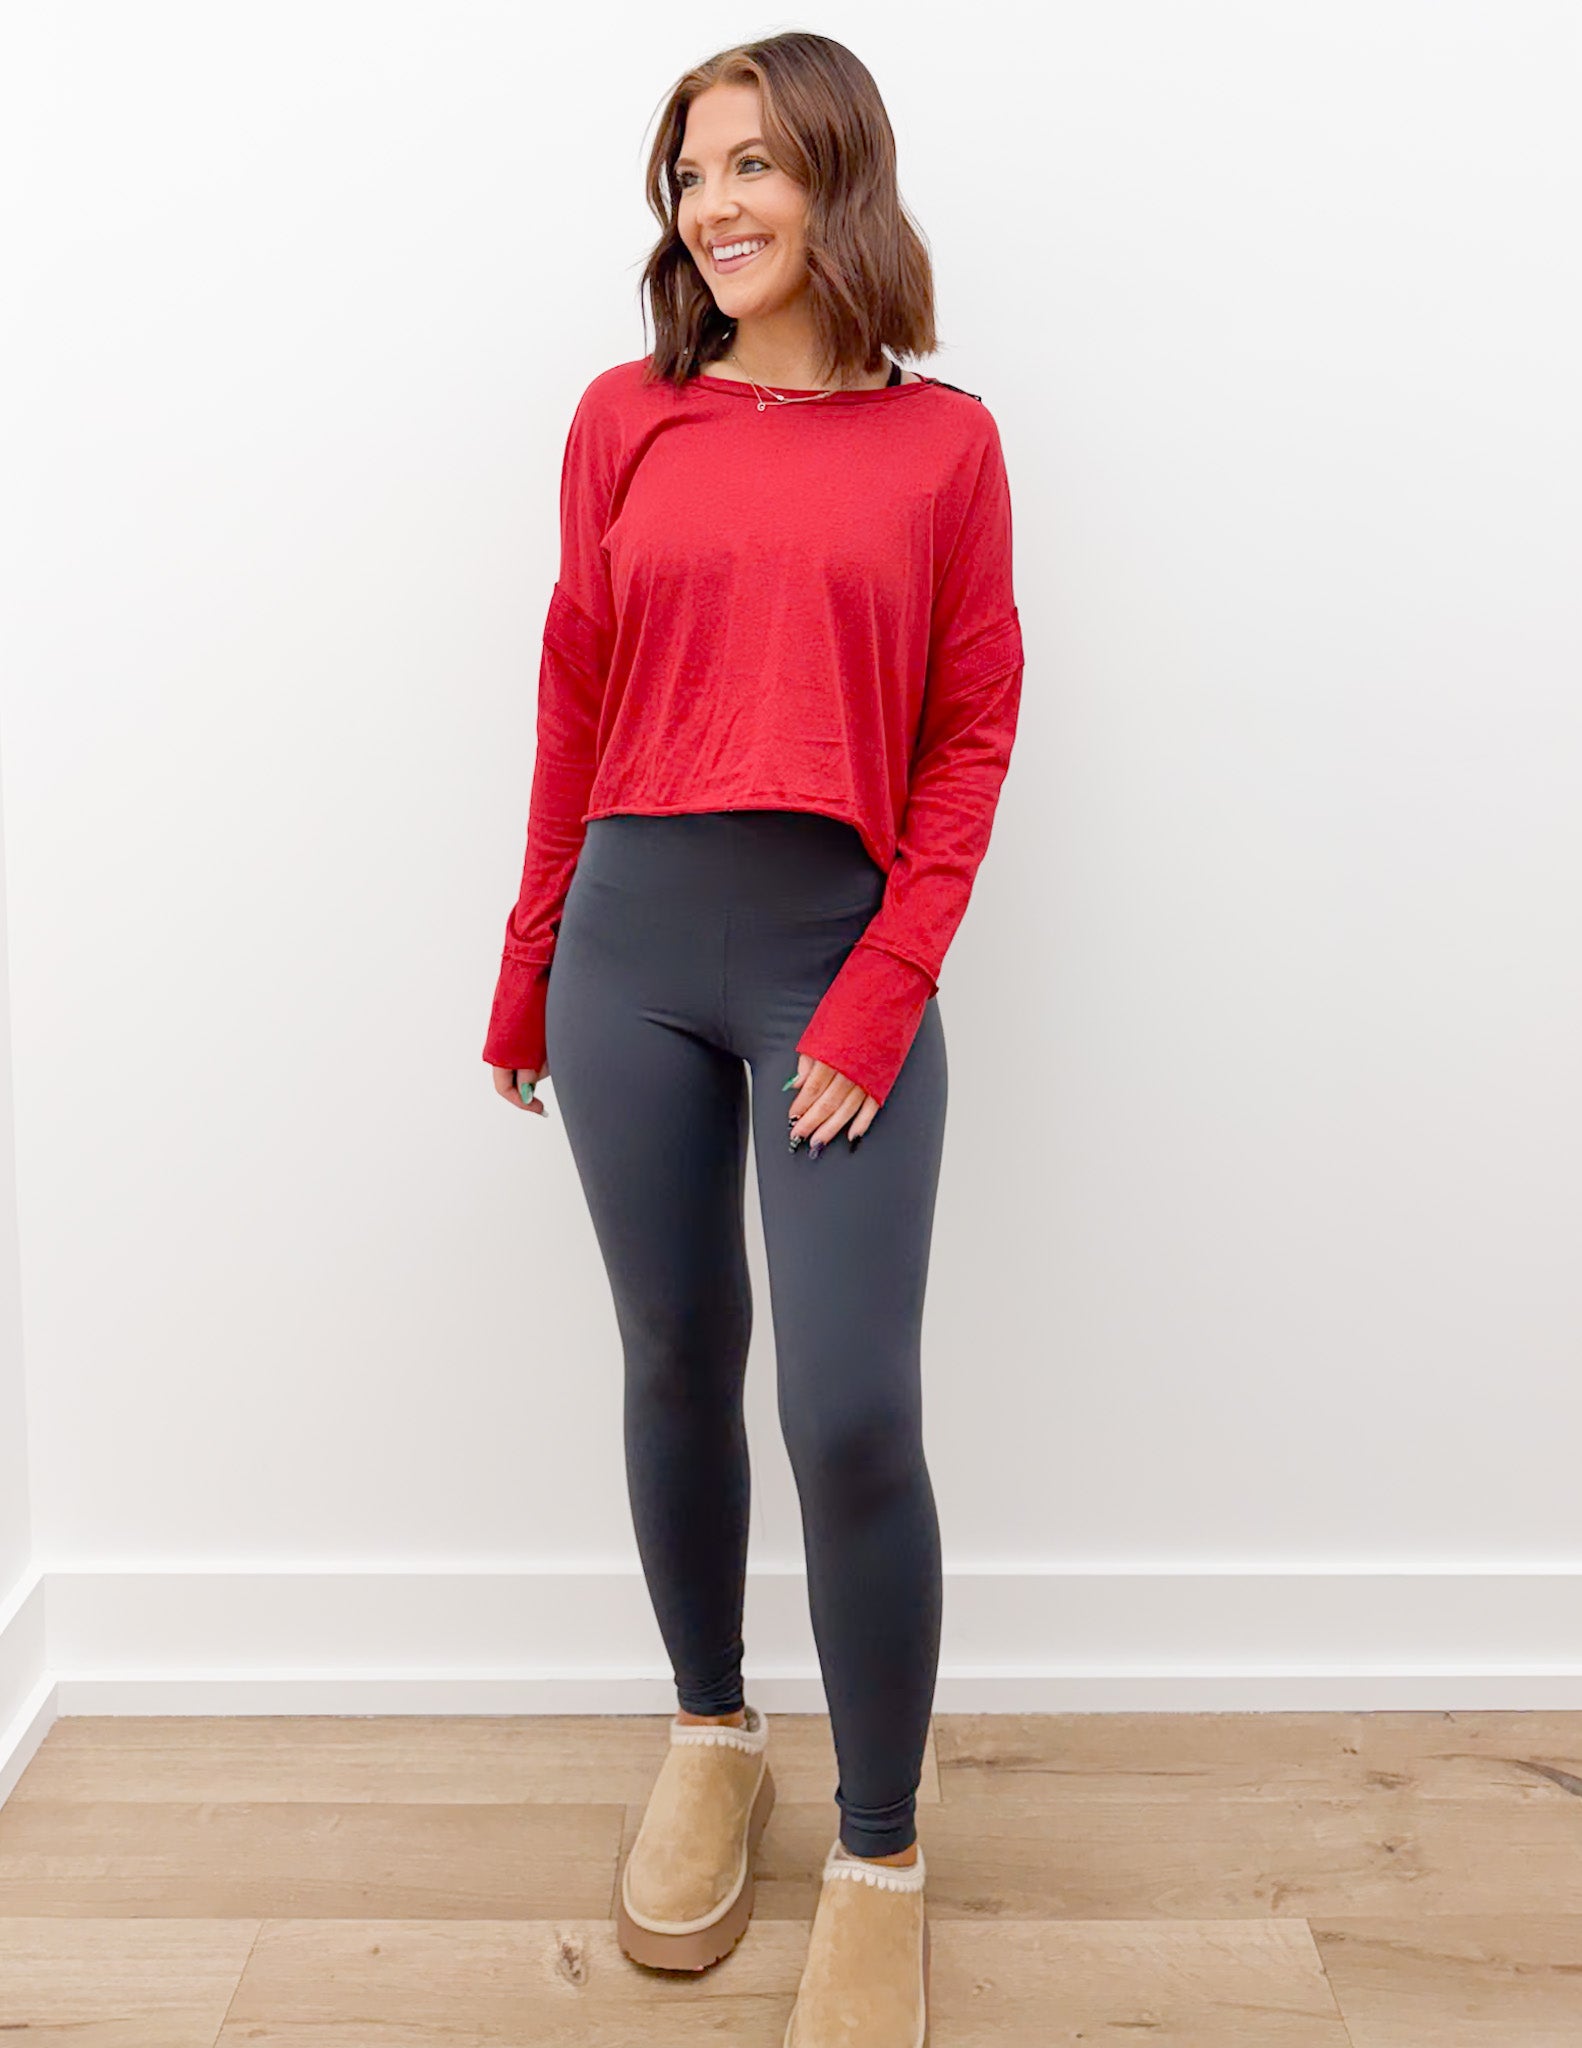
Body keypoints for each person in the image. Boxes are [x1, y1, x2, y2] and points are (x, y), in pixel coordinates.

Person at [482, 31, 1023, 2047]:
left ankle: (879, 1853)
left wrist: (884, 988)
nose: (713, 206)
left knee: (850, 1411)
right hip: (625, 946)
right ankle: (712, 1733)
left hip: (830, 962)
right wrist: (526, 959)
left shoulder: (944, 444)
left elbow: (970, 731)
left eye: (753, 167)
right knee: (673, 1354)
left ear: (836, 182)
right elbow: (574, 692)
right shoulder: (622, 419)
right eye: (690, 174)